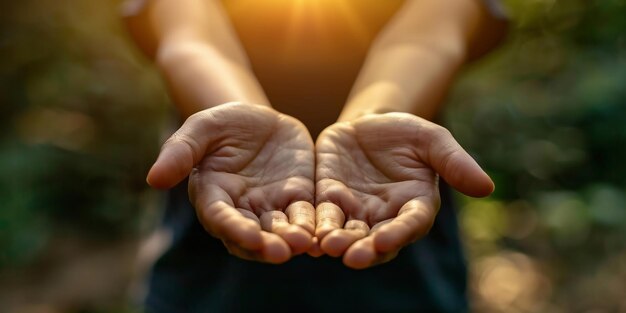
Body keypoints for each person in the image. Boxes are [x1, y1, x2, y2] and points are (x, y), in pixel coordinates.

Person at [123, 0, 507, 311]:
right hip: (219, 240)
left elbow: (430, 30)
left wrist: (374, 116)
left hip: (391, 209)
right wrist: (235, 112)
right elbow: (190, 31)